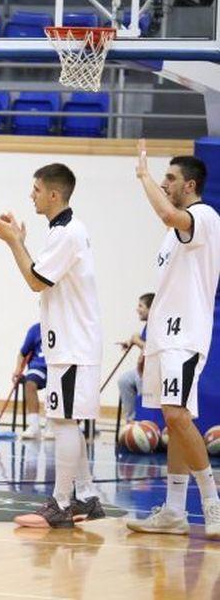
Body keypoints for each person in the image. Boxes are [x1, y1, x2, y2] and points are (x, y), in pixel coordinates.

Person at [0, 163, 105, 528]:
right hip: (68, 344)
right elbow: (40, 272)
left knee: (63, 422)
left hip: (73, 345)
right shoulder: (63, 231)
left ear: (54, 194)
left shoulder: (67, 233)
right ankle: (87, 496)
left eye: (36, 189)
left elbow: (35, 281)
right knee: (65, 420)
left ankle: (61, 503)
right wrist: (20, 241)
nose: (31, 195)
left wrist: (12, 242)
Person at [127, 140, 220, 539]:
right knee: (174, 419)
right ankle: (175, 512)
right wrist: (149, 342)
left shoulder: (204, 216)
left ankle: (213, 504)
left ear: (190, 185)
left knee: (177, 415)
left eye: (170, 178)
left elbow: (167, 213)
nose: (164, 183)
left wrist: (143, 175)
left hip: (185, 337)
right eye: (162, 177)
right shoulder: (173, 236)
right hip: (165, 338)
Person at [116, 293, 154, 423]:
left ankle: (143, 420)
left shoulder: (158, 325)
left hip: (153, 372)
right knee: (124, 380)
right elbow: (142, 340)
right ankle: (131, 420)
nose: (137, 309)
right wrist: (130, 341)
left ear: (151, 309)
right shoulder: (148, 325)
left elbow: (150, 348)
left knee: (139, 379)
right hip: (142, 370)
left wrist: (135, 340)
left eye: (141, 306)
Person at [15, 322, 48, 440]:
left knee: (56, 388)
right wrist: (18, 369)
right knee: (29, 384)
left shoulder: (64, 328)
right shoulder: (35, 329)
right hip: (38, 367)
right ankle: (34, 426)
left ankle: (52, 425)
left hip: (57, 367)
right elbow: (22, 353)